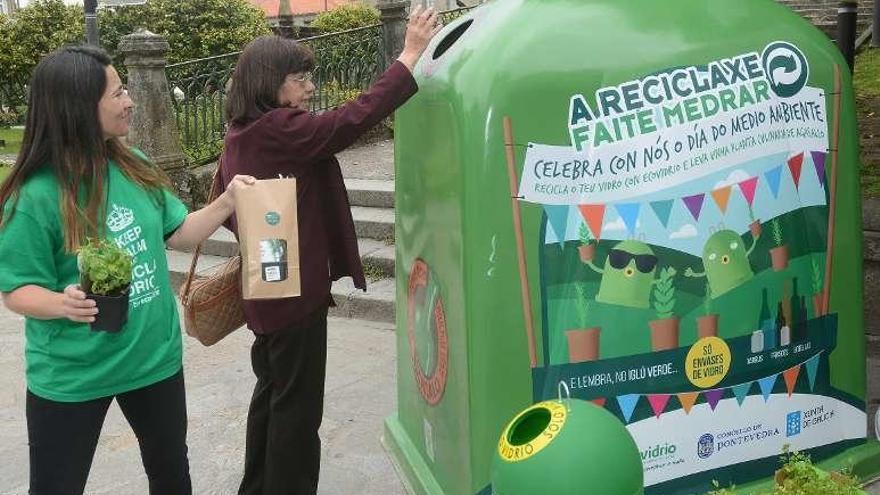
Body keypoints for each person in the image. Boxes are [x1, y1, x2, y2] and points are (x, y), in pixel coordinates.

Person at [0, 45, 255, 495]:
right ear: (79, 108)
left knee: (172, 477)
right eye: (117, 93)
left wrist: (228, 199)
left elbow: (182, 234)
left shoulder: (134, 165)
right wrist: (62, 303)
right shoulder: (35, 198)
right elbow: (16, 289)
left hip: (152, 360)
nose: (129, 101)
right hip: (73, 375)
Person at [220, 6, 442, 494]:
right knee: (297, 411)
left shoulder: (239, 133)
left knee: (273, 395)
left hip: (267, 288)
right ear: (269, 84)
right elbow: (347, 121)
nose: (309, 89)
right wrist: (407, 57)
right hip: (292, 294)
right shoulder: (278, 129)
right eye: (299, 79)